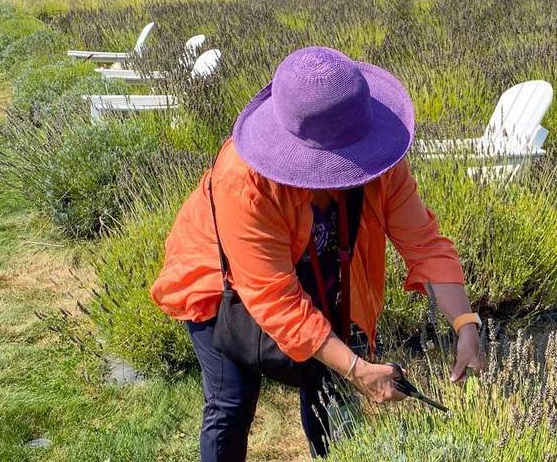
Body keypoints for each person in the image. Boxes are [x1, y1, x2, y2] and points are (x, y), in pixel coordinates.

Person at [151, 46, 482, 461]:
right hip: (219, 279)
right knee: (232, 401)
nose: (351, 172)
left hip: (313, 266)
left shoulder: (377, 156)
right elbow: (275, 297)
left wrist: (466, 324)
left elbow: (425, 243)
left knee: (326, 385)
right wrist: (358, 369)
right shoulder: (244, 181)